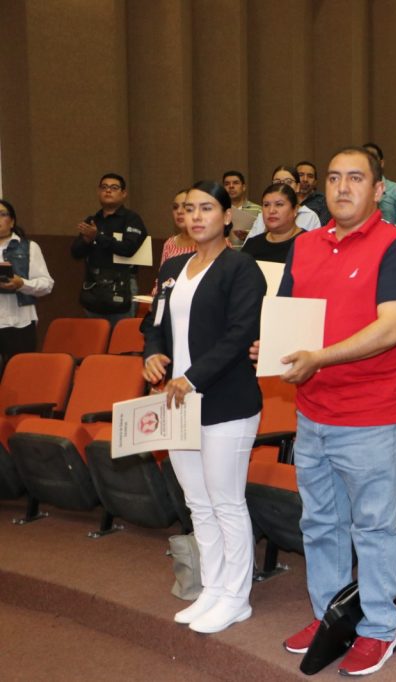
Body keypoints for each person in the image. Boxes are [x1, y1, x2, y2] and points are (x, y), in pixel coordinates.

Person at [262, 148, 396, 676]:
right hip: (313, 412)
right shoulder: (305, 245)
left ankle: (378, 628)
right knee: (320, 523)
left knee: (373, 528)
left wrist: (319, 358)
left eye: (355, 178)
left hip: (372, 414)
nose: (342, 187)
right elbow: (290, 319)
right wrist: (271, 347)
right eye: (333, 178)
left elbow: (393, 328)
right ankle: (330, 617)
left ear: (378, 190)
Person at [141, 180, 265, 634]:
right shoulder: (174, 266)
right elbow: (154, 324)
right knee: (197, 503)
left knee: (226, 502)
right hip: (178, 402)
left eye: (207, 208)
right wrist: (152, 353)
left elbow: (239, 334)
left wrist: (191, 377)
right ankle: (213, 588)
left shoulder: (241, 267)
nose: (196, 216)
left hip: (226, 400)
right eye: (189, 208)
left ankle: (237, 596)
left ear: (228, 217)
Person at [71, 173, 148, 323]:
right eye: (104, 187)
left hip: (122, 287)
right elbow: (75, 253)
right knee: (96, 334)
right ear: (98, 192)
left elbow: (128, 249)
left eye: (114, 188)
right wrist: (86, 240)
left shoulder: (131, 219)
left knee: (121, 335)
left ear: (123, 193)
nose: (108, 191)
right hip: (93, 287)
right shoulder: (93, 220)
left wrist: (98, 237)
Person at [0, 199, 54, 362]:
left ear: (12, 221)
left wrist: (22, 284)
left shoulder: (29, 247)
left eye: (2, 214)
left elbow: (47, 284)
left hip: (20, 321)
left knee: (19, 371)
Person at [242, 166, 322, 242]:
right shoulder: (264, 215)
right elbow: (250, 245)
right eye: (277, 182)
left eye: (288, 182)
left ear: (298, 186)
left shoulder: (310, 216)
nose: (282, 186)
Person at [242, 184, 304, 264]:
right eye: (266, 205)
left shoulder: (310, 244)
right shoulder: (252, 244)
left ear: (295, 210)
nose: (271, 211)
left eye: (279, 204)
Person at [151, 190, 196, 295]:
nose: (179, 211)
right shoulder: (170, 243)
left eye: (185, 206)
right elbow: (162, 278)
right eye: (175, 207)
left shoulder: (210, 243)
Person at [362, 143, 396, 229]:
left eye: (373, 158)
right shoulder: (355, 191)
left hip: (391, 236)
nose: (369, 162)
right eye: (365, 159)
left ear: (381, 163)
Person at [222, 171, 260, 245]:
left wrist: (248, 236)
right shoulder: (218, 210)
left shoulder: (258, 210)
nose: (231, 186)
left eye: (236, 183)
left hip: (249, 251)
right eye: (227, 184)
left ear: (243, 187)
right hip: (224, 250)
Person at [295, 161, 331, 225]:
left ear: (315, 182)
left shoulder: (323, 202)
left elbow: (321, 227)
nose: (305, 179)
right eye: (301, 175)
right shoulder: (287, 199)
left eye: (310, 176)